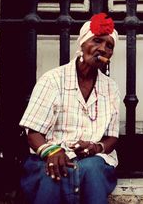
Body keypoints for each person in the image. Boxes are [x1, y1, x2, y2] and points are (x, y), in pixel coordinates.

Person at [19, 13, 120, 204]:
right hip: (51, 155)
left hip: (93, 161)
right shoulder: (53, 80)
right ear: (81, 44)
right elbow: (32, 132)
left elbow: (112, 138)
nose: (103, 49)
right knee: (55, 173)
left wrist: (94, 147)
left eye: (109, 46)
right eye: (97, 41)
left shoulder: (111, 88)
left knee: (91, 169)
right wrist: (51, 151)